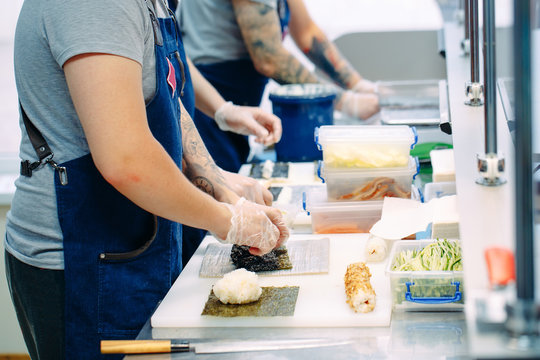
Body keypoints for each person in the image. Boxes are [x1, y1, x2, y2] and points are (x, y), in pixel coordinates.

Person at [5, 1, 289, 360]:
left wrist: (217, 182)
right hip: (82, 262)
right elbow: (126, 159)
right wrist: (226, 220)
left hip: (135, 239)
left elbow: (159, 91)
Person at [177, 0, 381, 172]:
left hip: (234, 97)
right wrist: (346, 102)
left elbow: (306, 31)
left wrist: (359, 85)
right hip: (207, 99)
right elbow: (269, 57)